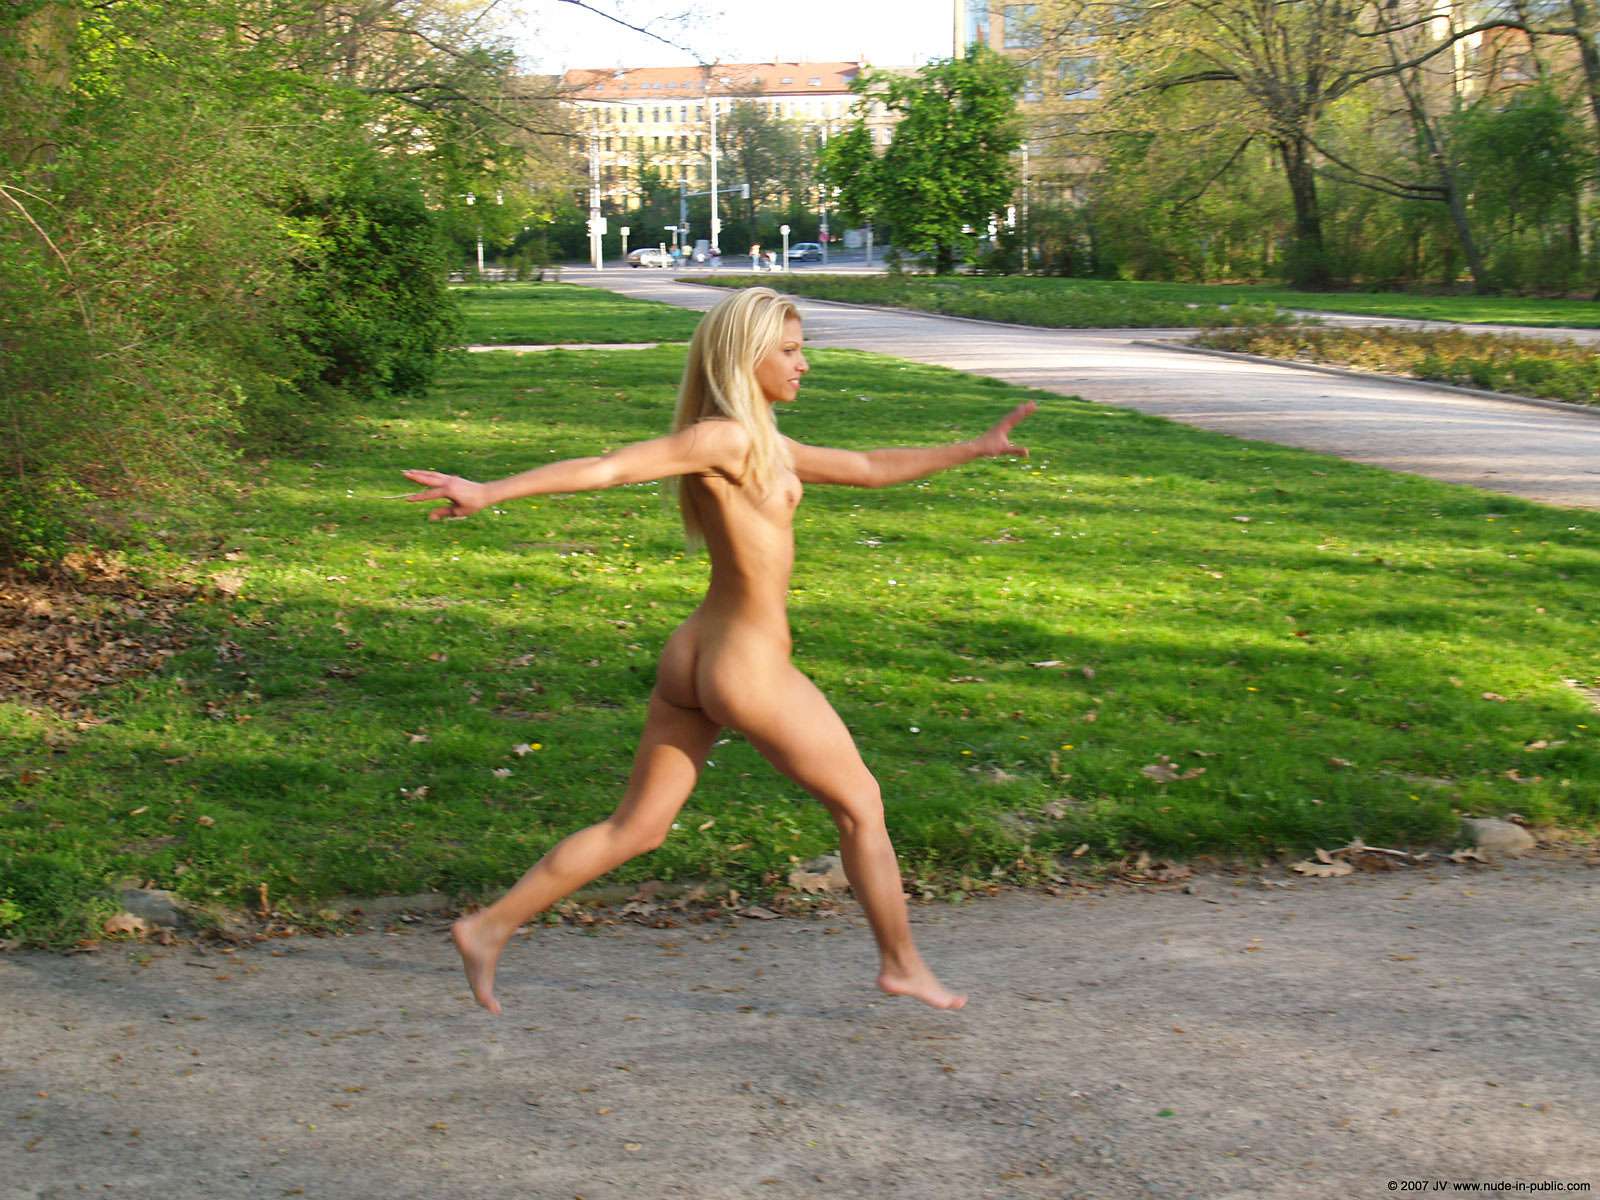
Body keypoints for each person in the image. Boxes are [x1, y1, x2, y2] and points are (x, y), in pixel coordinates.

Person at [402, 287, 1035, 1015]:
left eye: (802, 350)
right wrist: (489, 491)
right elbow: (610, 467)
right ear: (745, 356)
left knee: (638, 828)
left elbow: (866, 464)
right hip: (745, 662)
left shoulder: (763, 444)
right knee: (862, 805)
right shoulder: (725, 439)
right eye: (789, 351)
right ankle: (902, 965)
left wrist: (971, 449)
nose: (802, 365)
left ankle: (487, 928)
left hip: (696, 654)